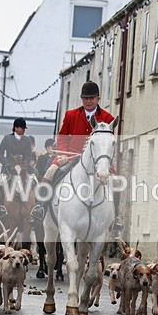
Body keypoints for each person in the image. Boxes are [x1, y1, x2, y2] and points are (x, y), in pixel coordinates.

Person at [31, 81, 122, 231]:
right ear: (81, 99)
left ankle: (115, 218)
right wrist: (62, 154)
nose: (88, 101)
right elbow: (62, 137)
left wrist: (106, 161)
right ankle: (40, 208)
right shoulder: (71, 115)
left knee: (117, 182)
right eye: (85, 98)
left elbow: (108, 143)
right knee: (49, 172)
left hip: (98, 161)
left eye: (91, 98)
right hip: (70, 157)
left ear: (98, 99)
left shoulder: (107, 118)